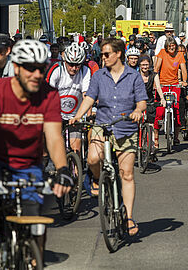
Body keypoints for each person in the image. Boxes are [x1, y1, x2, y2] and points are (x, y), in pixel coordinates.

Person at [0, 40, 72, 269]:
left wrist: (63, 170)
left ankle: (35, 258)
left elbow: (54, 138)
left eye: (41, 68)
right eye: (30, 68)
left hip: (28, 165)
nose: (37, 74)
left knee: (36, 217)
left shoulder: (49, 95)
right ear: (15, 67)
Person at [69, 37, 147, 237]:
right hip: (101, 125)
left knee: (127, 173)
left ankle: (128, 217)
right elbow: (89, 98)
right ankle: (96, 178)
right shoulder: (99, 76)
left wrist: (138, 111)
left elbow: (141, 102)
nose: (103, 57)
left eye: (106, 54)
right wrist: (78, 116)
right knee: (93, 159)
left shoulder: (134, 76)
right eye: (102, 54)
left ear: (118, 54)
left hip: (125, 128)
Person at [46, 43, 91, 152]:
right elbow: (47, 94)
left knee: (76, 147)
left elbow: (87, 95)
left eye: (77, 65)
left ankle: (76, 167)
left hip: (75, 115)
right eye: (71, 64)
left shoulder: (85, 71)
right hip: (57, 114)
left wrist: (88, 115)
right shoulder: (57, 69)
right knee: (56, 147)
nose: (74, 68)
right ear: (64, 60)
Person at [154, 37, 187, 144]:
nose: (171, 48)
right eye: (169, 46)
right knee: (160, 111)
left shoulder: (179, 54)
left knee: (176, 110)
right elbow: (156, 69)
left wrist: (184, 81)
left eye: (173, 45)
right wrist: (155, 83)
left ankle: (176, 136)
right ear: (166, 47)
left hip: (175, 85)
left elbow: (183, 69)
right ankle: (156, 139)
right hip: (162, 84)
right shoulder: (162, 53)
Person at [139, 55, 159, 154]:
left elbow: (158, 88)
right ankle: (139, 145)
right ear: (139, 65)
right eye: (143, 65)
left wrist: (162, 99)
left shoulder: (154, 75)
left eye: (146, 65)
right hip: (138, 102)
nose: (145, 67)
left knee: (150, 125)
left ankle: (151, 147)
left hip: (150, 101)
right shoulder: (136, 75)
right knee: (138, 124)